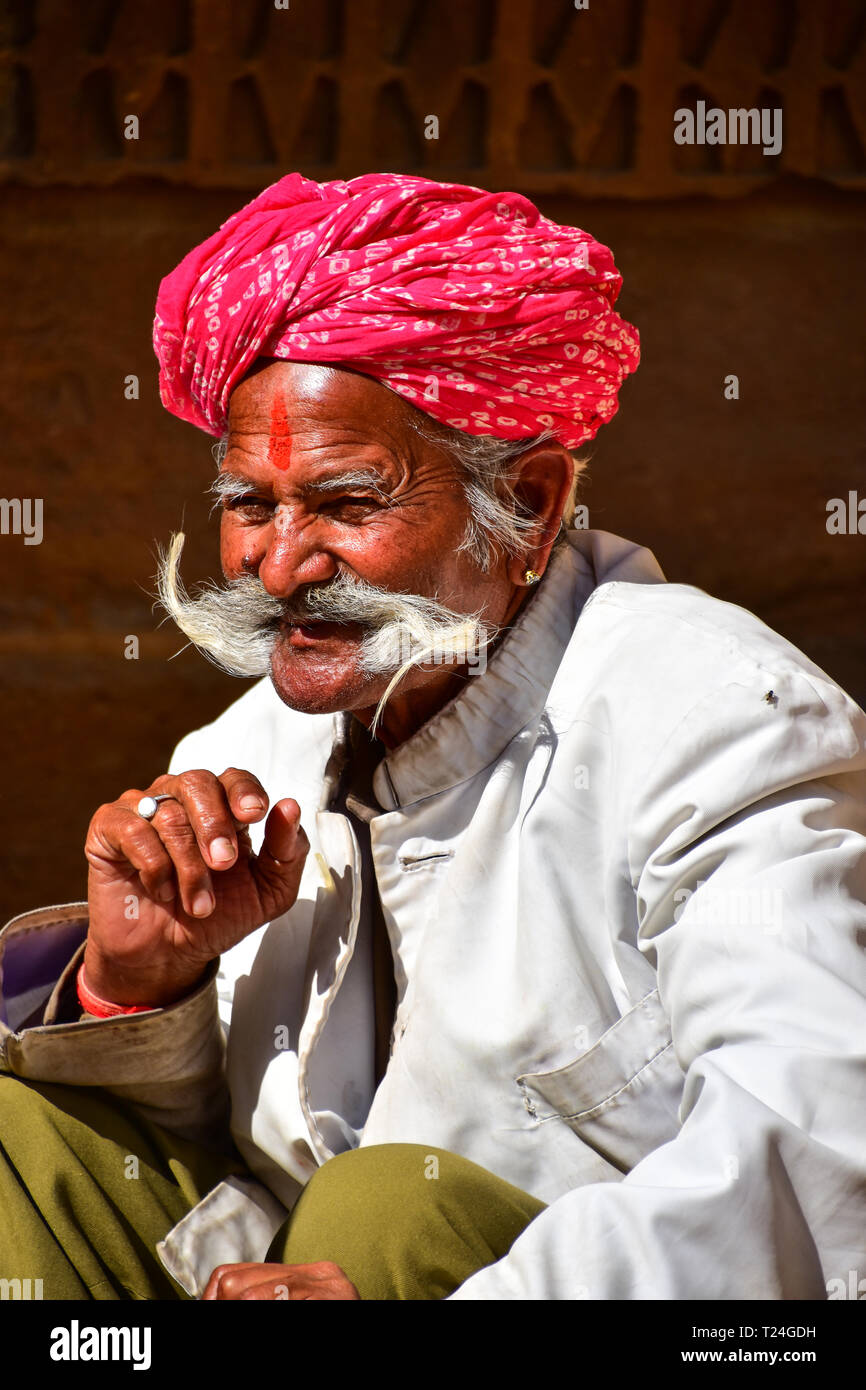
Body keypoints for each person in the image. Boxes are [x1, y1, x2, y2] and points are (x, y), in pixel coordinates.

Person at [1, 173, 864, 1302]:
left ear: (533, 507)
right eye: (250, 503)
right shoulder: (250, 746)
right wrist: (133, 989)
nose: (277, 563)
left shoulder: (720, 720)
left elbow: (811, 1148)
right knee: (22, 1130)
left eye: (347, 504)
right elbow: (232, 1161)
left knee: (384, 1205)